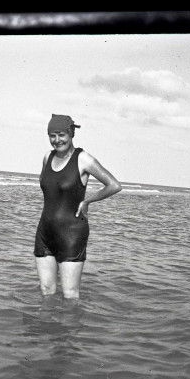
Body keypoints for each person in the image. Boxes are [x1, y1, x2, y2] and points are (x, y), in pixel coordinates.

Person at [34, 114, 122, 299]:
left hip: (72, 234)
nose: (57, 140)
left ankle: (70, 328)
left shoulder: (83, 159)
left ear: (71, 133)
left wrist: (87, 200)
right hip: (45, 233)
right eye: (52, 135)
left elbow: (114, 185)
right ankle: (45, 328)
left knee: (70, 295)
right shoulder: (46, 157)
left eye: (61, 134)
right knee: (46, 292)